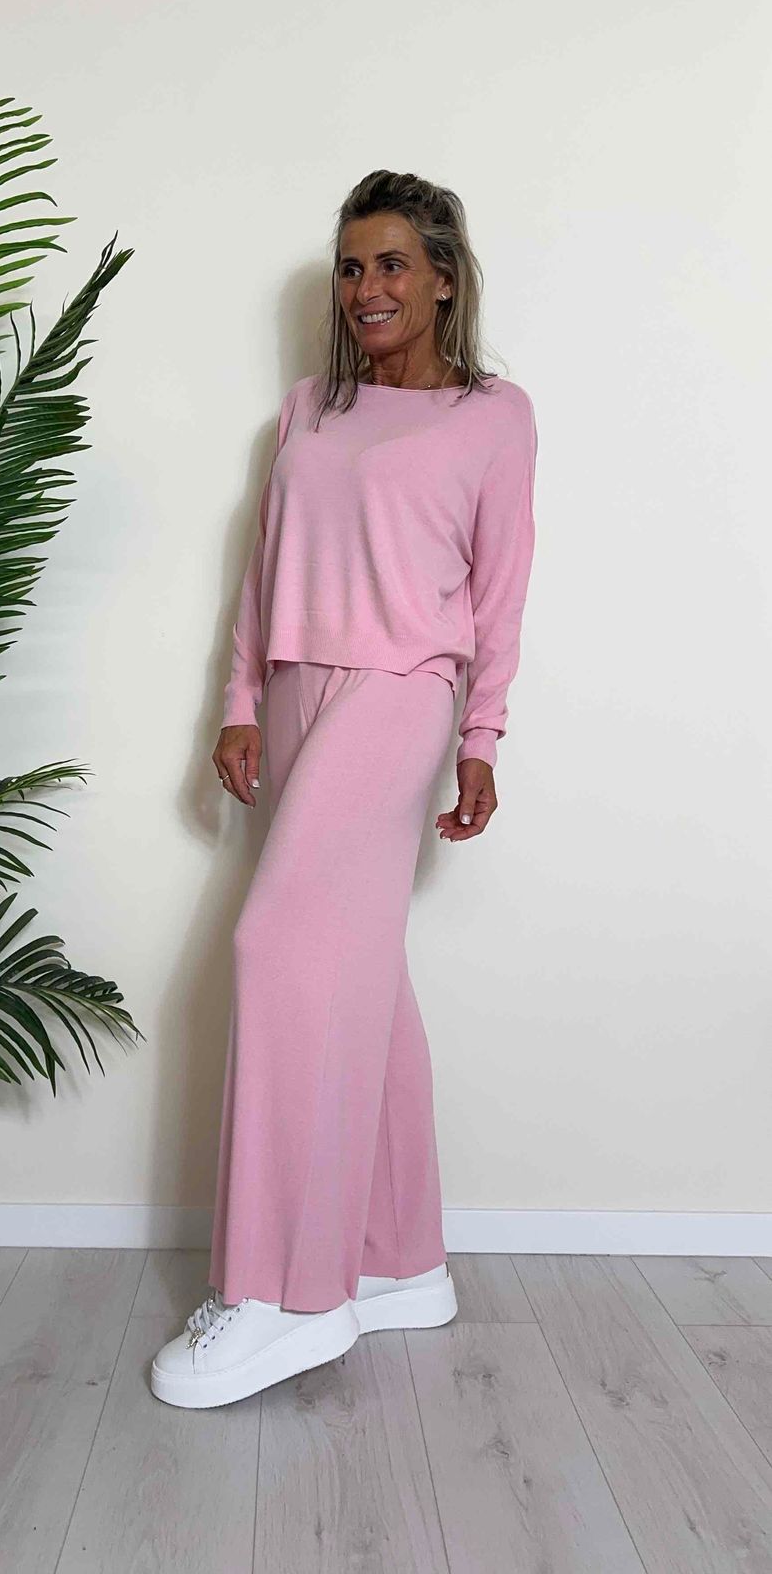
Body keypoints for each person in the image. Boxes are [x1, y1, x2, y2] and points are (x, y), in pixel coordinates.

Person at [151, 170, 538, 1409]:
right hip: (297, 689)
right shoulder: (307, 411)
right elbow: (262, 570)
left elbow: (498, 595)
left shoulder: (492, 417)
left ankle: (281, 1295)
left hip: (398, 691)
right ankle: (396, 1260)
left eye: (390, 265)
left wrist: (480, 736)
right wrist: (238, 700)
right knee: (364, 975)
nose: (366, 288)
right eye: (351, 267)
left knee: (272, 947)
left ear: (442, 279)